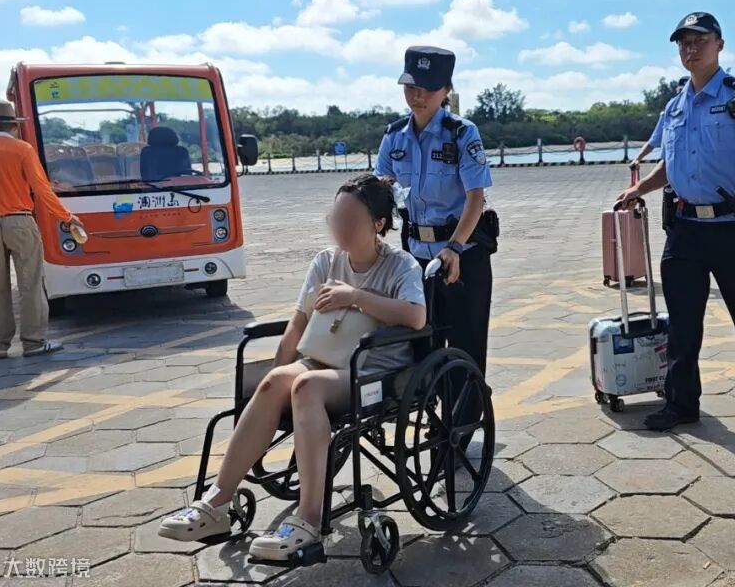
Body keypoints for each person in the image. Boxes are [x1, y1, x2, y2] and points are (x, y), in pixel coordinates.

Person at [157, 174, 426, 560]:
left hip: (374, 373)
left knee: (306, 387)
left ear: (378, 224)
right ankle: (217, 502)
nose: (340, 228)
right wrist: (274, 379)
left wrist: (355, 296)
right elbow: (298, 324)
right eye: (336, 219)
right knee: (276, 381)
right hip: (322, 360)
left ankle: (309, 521)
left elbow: (416, 317)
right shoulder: (326, 261)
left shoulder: (400, 266)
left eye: (351, 221)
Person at [619, 12, 735, 431]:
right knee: (683, 321)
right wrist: (640, 190)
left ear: (719, 45)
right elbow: (669, 165)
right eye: (683, 43)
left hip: (734, 226)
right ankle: (681, 403)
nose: (690, 49)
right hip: (686, 228)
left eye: (700, 41)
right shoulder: (675, 106)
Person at [374, 46, 496, 377]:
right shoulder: (394, 137)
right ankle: (432, 408)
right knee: (420, 349)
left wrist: (454, 247)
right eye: (412, 87)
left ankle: (467, 410)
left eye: (429, 89)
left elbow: (475, 198)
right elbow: (379, 191)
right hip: (415, 258)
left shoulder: (462, 133)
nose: (419, 96)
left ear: (446, 90)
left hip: (462, 257)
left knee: (464, 352)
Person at [0, 100, 82, 359]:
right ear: (13, 126)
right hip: (19, 221)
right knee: (30, 283)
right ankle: (33, 342)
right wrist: (66, 217)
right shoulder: (22, 149)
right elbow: (42, 189)